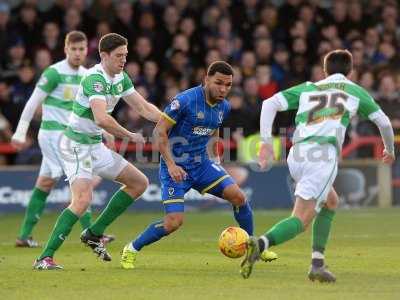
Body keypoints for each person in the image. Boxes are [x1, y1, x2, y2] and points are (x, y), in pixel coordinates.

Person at [240, 49, 395, 281]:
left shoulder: (309, 88)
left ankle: (317, 264)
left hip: (297, 155)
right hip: (322, 156)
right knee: (301, 219)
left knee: (331, 201)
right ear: (350, 71)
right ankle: (260, 244)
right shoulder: (354, 91)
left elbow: (269, 104)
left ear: (325, 71)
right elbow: (384, 122)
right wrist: (389, 150)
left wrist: (265, 143)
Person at [120, 61, 277, 269]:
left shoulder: (224, 106)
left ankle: (254, 246)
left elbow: (214, 128)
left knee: (239, 197)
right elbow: (159, 132)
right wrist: (171, 164)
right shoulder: (184, 101)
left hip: (202, 165)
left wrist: (215, 160)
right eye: (219, 83)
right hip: (174, 168)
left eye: (228, 85)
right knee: (173, 222)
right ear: (206, 79)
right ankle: (131, 249)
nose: (223, 89)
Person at [33, 32, 161, 270]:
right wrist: (129, 135)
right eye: (119, 55)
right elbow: (102, 119)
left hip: (93, 144)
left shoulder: (120, 77)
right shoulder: (94, 79)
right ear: (104, 55)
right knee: (82, 200)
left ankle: (94, 233)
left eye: (125, 55)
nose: (124, 60)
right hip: (75, 145)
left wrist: (168, 121)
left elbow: (142, 106)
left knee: (138, 182)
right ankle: (44, 258)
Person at [11, 31, 114, 248]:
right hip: (53, 135)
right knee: (79, 180)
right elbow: (32, 102)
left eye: (82, 49)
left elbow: (91, 111)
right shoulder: (54, 73)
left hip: (70, 135)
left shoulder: (88, 75)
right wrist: (20, 131)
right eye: (73, 49)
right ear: (66, 49)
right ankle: (93, 233)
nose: (78, 53)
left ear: (87, 50)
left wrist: (105, 130)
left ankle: (24, 236)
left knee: (46, 182)